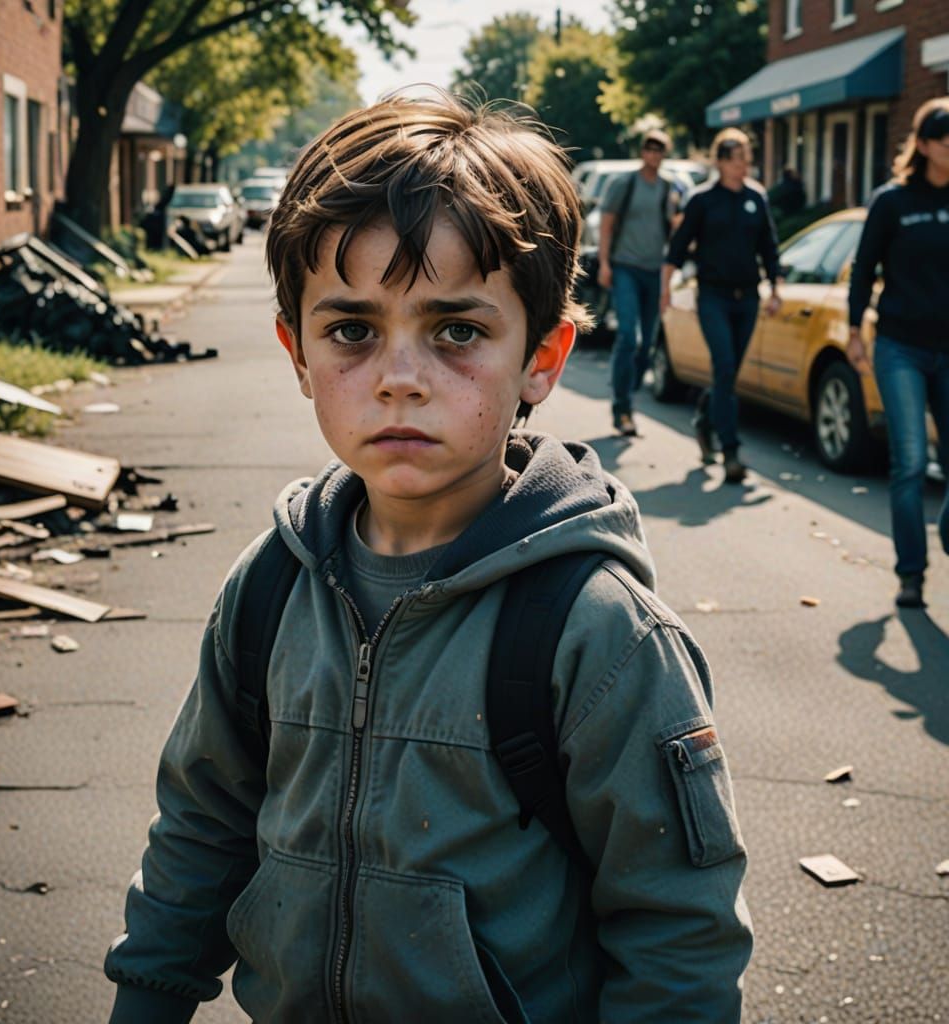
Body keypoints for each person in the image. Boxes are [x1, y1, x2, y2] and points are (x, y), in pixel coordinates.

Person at [104, 92, 752, 1023]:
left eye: (457, 331)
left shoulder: (600, 633)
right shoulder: (270, 587)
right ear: (296, 352)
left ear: (543, 356)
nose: (400, 376)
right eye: (352, 331)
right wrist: (148, 999)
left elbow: (680, 937)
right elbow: (202, 830)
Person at [847, 97, 949, 609]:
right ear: (925, 145)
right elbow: (865, 268)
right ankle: (912, 573)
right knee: (909, 461)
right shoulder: (893, 202)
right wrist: (853, 330)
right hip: (900, 347)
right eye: (944, 138)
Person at [661, 128, 783, 483]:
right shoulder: (702, 200)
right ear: (720, 161)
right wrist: (665, 288)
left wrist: (776, 287)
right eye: (736, 158)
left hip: (748, 298)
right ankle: (730, 452)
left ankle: (704, 415)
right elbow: (678, 247)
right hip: (713, 296)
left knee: (726, 375)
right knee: (725, 366)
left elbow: (769, 247)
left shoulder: (756, 198)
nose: (744, 164)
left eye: (747, 157)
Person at [597, 128, 677, 437]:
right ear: (642, 152)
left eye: (659, 150)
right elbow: (606, 224)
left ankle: (626, 387)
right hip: (625, 267)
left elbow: (674, 228)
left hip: (654, 271)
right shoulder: (625, 184)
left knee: (648, 343)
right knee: (628, 336)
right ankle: (622, 406)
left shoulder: (669, 188)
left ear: (664, 154)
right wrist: (605, 263)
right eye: (649, 149)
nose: (653, 155)